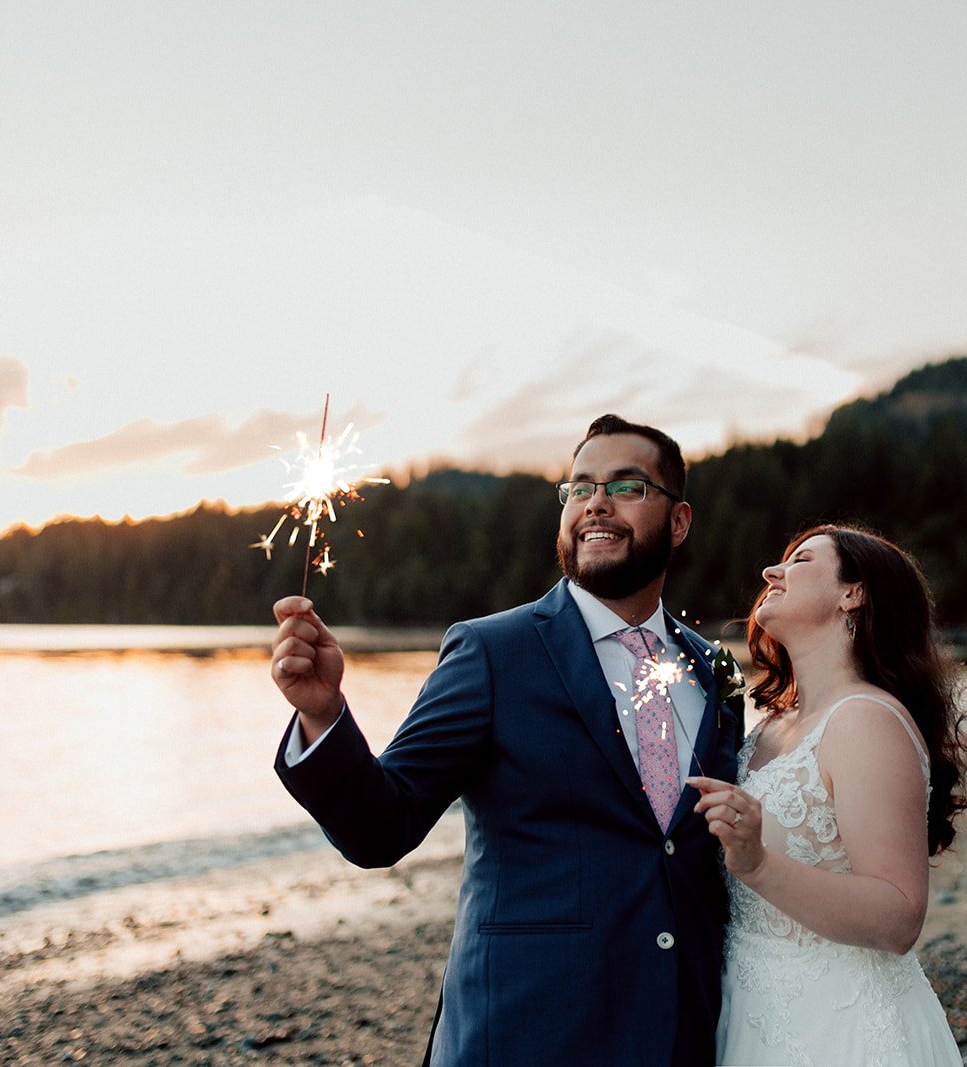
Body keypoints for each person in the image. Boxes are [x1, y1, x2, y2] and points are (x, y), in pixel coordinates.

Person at [269, 414, 746, 1066]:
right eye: (579, 488)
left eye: (627, 485)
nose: (596, 501)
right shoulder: (493, 652)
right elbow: (381, 824)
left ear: (680, 520)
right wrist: (324, 715)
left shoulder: (714, 672)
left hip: (679, 1037)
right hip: (524, 1034)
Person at [689, 524, 967, 1066]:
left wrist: (757, 865)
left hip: (843, 1029)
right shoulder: (768, 729)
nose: (772, 572)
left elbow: (899, 918)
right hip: (751, 1016)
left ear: (853, 592)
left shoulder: (866, 720)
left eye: (799, 560)